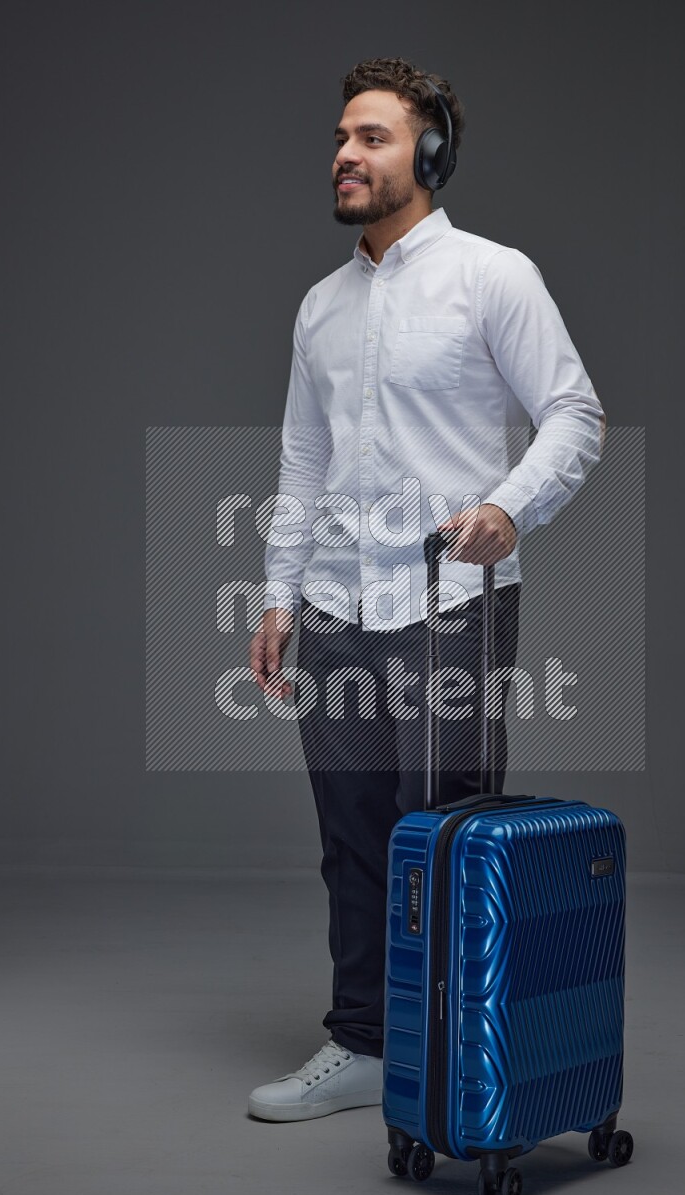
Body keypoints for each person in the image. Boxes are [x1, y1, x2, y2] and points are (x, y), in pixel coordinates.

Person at [247, 57, 605, 1122]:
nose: (344, 155)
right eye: (342, 137)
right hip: (334, 607)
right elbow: (300, 463)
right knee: (352, 832)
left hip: (446, 603)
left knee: (442, 825)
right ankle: (362, 1039)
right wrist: (276, 596)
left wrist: (507, 508)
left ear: (429, 154)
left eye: (372, 137)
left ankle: (458, 1051)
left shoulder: (492, 276)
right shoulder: (318, 308)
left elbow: (573, 414)